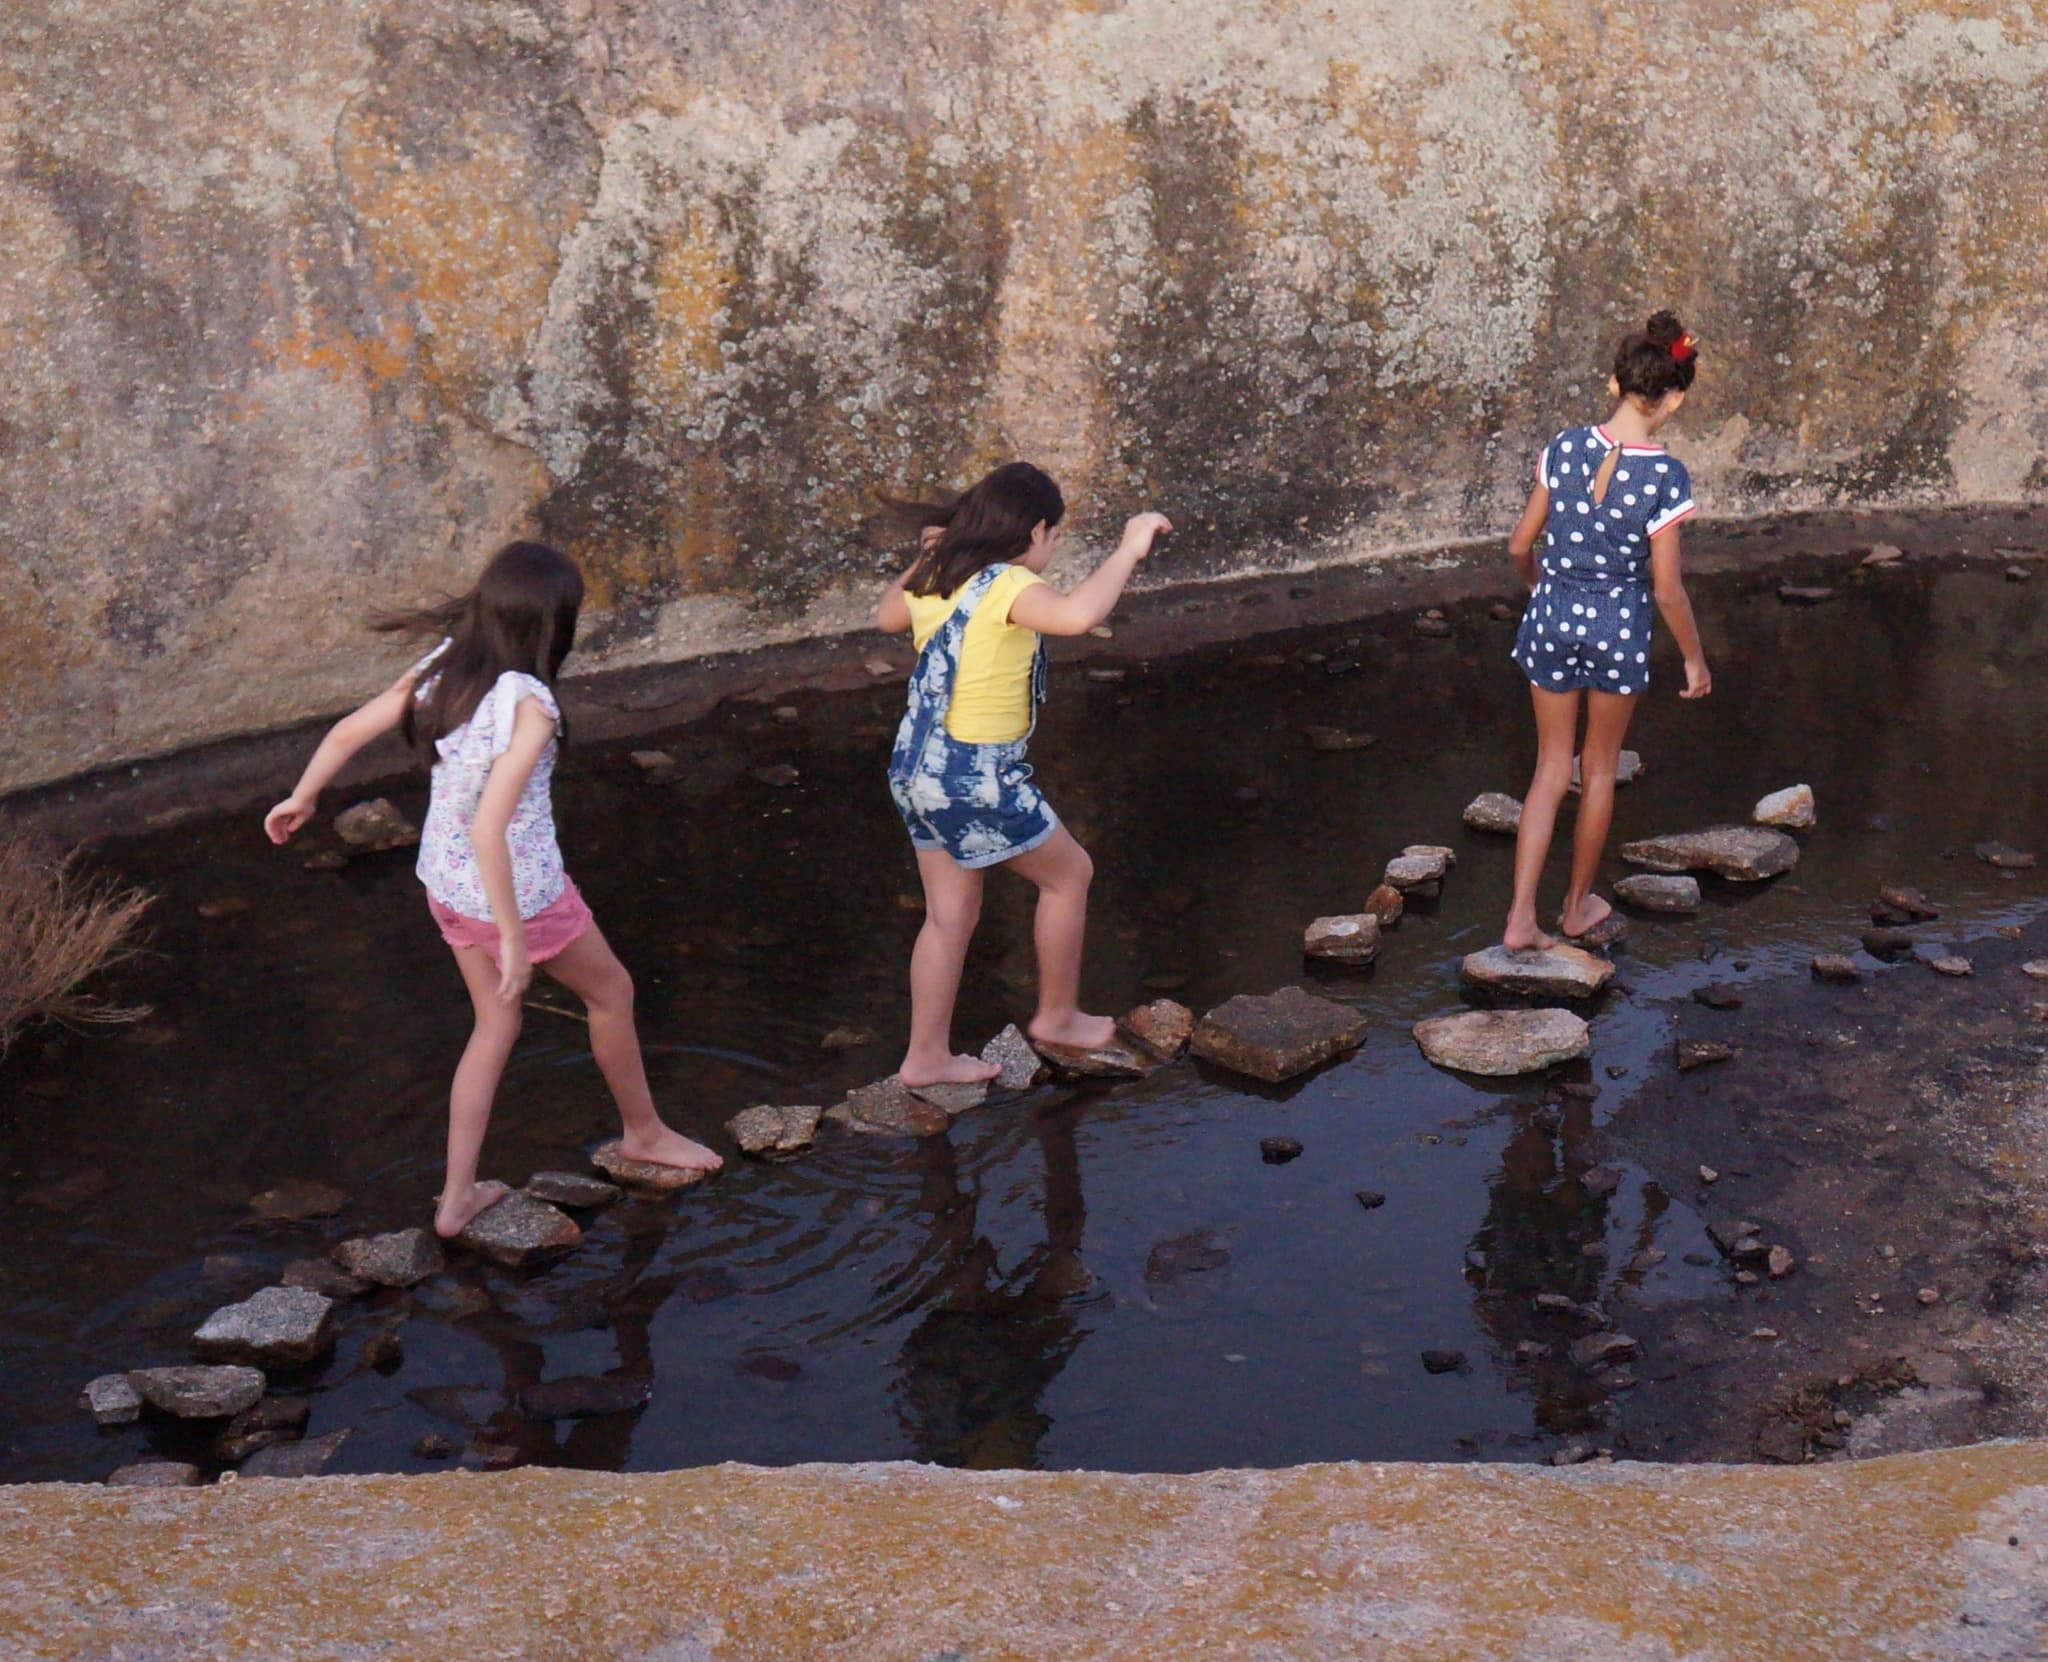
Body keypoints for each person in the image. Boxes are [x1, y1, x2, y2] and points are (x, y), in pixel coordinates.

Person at [262, 540, 720, 1237]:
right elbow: (490, 829)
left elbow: (351, 730)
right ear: (551, 626)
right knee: (612, 994)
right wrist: (513, 936)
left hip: (443, 884)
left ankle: (455, 1200)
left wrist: (302, 796)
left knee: (496, 1024)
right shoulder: (531, 707)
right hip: (521, 895)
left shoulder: (446, 664)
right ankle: (645, 1134)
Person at [876, 462, 1172, 1086]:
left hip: (916, 767)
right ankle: (1057, 1016)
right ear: (1035, 530)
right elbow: (1076, 616)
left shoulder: (939, 577)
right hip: (973, 774)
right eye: (1054, 535)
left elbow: (886, 618)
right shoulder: (1005, 584)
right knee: (1070, 877)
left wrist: (930, 554)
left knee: (948, 914)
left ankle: (925, 1056)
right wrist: (1129, 547)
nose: (1053, 545)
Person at [1502, 312, 1713, 950]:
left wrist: (1541, 586)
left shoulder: (1562, 447)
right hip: (1618, 627)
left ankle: (1518, 921)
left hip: (1551, 615)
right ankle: (1575, 908)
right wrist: (1696, 661)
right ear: (1674, 397)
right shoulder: (1665, 476)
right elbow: (1667, 588)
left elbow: (1518, 544)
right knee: (1597, 772)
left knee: (1548, 770)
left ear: (1612, 384)